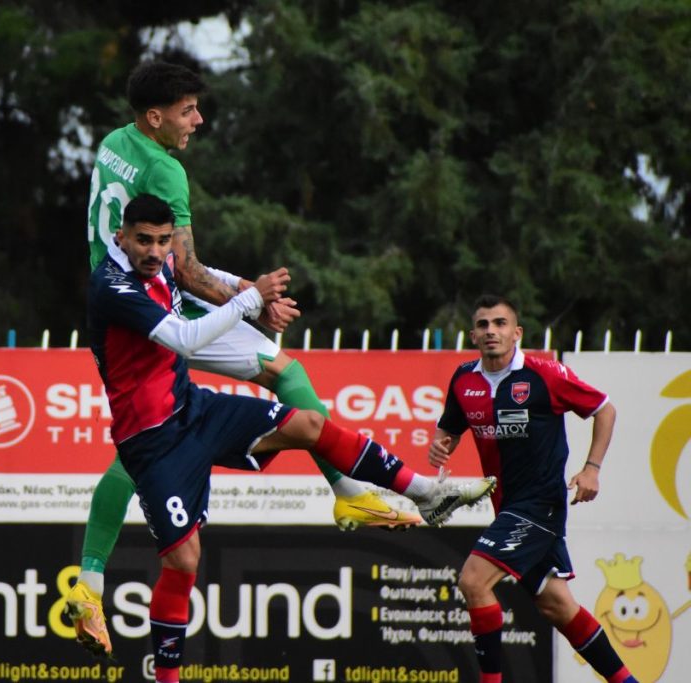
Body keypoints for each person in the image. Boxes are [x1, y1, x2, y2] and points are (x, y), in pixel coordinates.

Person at [68, 59, 424, 656]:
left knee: (142, 438)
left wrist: (251, 297)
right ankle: (348, 492)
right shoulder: (167, 170)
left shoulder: (114, 143)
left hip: (122, 308)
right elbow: (183, 268)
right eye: (187, 111)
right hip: (162, 311)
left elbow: (175, 265)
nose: (198, 120)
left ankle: (90, 581)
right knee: (284, 373)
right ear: (155, 117)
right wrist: (253, 302)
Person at [88, 194, 495, 681]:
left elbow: (196, 269)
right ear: (121, 237)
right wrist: (250, 298)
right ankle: (165, 676)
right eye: (143, 241)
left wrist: (247, 291)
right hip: (152, 443)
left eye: (162, 241)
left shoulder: (166, 260)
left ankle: (426, 492)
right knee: (185, 560)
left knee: (310, 424)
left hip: (194, 408)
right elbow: (183, 339)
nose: (155, 252)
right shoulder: (110, 285)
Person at [428, 294, 637, 683]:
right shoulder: (464, 379)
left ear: (516, 333)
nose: (492, 331)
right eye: (484, 325)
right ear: (473, 334)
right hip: (506, 506)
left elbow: (604, 409)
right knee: (557, 606)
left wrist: (592, 469)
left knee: (473, 580)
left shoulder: (544, 375)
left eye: (500, 323)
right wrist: (440, 446)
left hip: (540, 506)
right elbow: (448, 430)